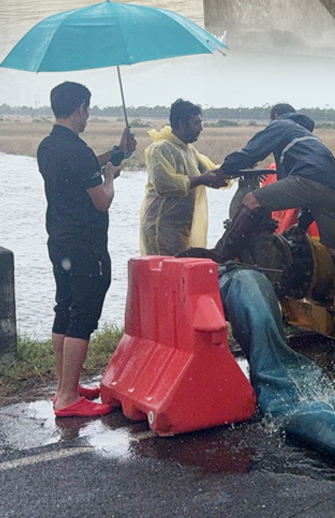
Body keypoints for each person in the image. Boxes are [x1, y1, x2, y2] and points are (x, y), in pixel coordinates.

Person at [35, 80, 135, 418]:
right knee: (83, 313)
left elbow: (87, 165)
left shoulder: (47, 146)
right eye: (87, 109)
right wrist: (110, 177)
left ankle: (66, 386)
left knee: (64, 307)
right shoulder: (77, 151)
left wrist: (118, 153)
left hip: (59, 240)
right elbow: (102, 200)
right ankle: (67, 398)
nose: (88, 116)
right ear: (79, 108)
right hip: (86, 244)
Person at [208, 104, 335, 310]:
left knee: (251, 200)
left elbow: (252, 151)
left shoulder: (282, 124)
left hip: (309, 180)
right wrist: (301, 226)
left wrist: (224, 171)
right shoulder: (308, 137)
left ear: (276, 116)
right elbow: (310, 197)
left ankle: (220, 255)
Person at [139, 99, 229, 256]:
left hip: (181, 228)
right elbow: (164, 184)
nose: (201, 129)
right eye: (196, 123)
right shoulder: (159, 149)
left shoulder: (189, 150)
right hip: (161, 228)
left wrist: (241, 169)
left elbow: (213, 172)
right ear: (182, 123)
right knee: (165, 272)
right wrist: (201, 180)